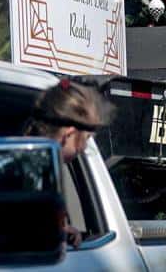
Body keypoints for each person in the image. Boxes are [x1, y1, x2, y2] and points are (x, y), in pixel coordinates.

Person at [23, 77, 113, 248]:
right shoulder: (25, 175)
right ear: (69, 134)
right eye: (86, 138)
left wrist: (59, 230)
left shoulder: (37, 170)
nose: (85, 147)